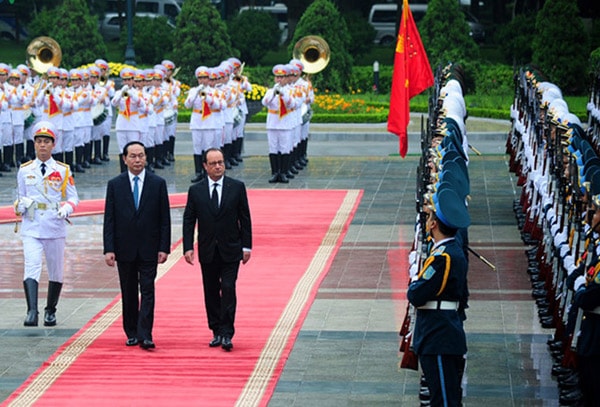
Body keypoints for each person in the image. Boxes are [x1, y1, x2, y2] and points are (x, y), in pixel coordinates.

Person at [103, 141, 171, 349]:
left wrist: (164, 247)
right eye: (132, 156)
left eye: (141, 155)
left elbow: (164, 219)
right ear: (124, 159)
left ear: (146, 158)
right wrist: (109, 249)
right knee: (129, 291)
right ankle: (131, 331)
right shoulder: (115, 185)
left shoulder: (157, 183)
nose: (137, 160)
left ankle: (146, 333)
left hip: (149, 248)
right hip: (125, 248)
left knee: (148, 290)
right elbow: (110, 219)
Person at [182, 147, 252, 351]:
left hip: (231, 249)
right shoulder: (196, 190)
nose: (218, 166)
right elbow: (189, 220)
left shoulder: (236, 187)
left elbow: (245, 219)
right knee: (211, 291)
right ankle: (216, 331)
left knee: (229, 289)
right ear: (205, 166)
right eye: (213, 163)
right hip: (208, 250)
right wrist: (188, 247)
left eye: (220, 162)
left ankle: (227, 333)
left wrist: (247, 246)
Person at [406, 183, 470, 407]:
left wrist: (415, 279)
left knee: (443, 400)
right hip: (441, 332)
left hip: (439, 335)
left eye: (429, 217)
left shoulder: (443, 258)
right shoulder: (446, 252)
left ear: (433, 224)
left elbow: (416, 295)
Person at [14, 121, 79, 327]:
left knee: (56, 269)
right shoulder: (25, 170)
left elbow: (73, 197)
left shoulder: (62, 170)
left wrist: (67, 208)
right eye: (39, 141)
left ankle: (50, 310)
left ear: (53, 145)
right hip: (32, 225)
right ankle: (32, 311)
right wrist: (21, 205)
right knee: (31, 265)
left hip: (54, 224)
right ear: (34, 144)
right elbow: (19, 196)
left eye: (46, 142)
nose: (42, 145)